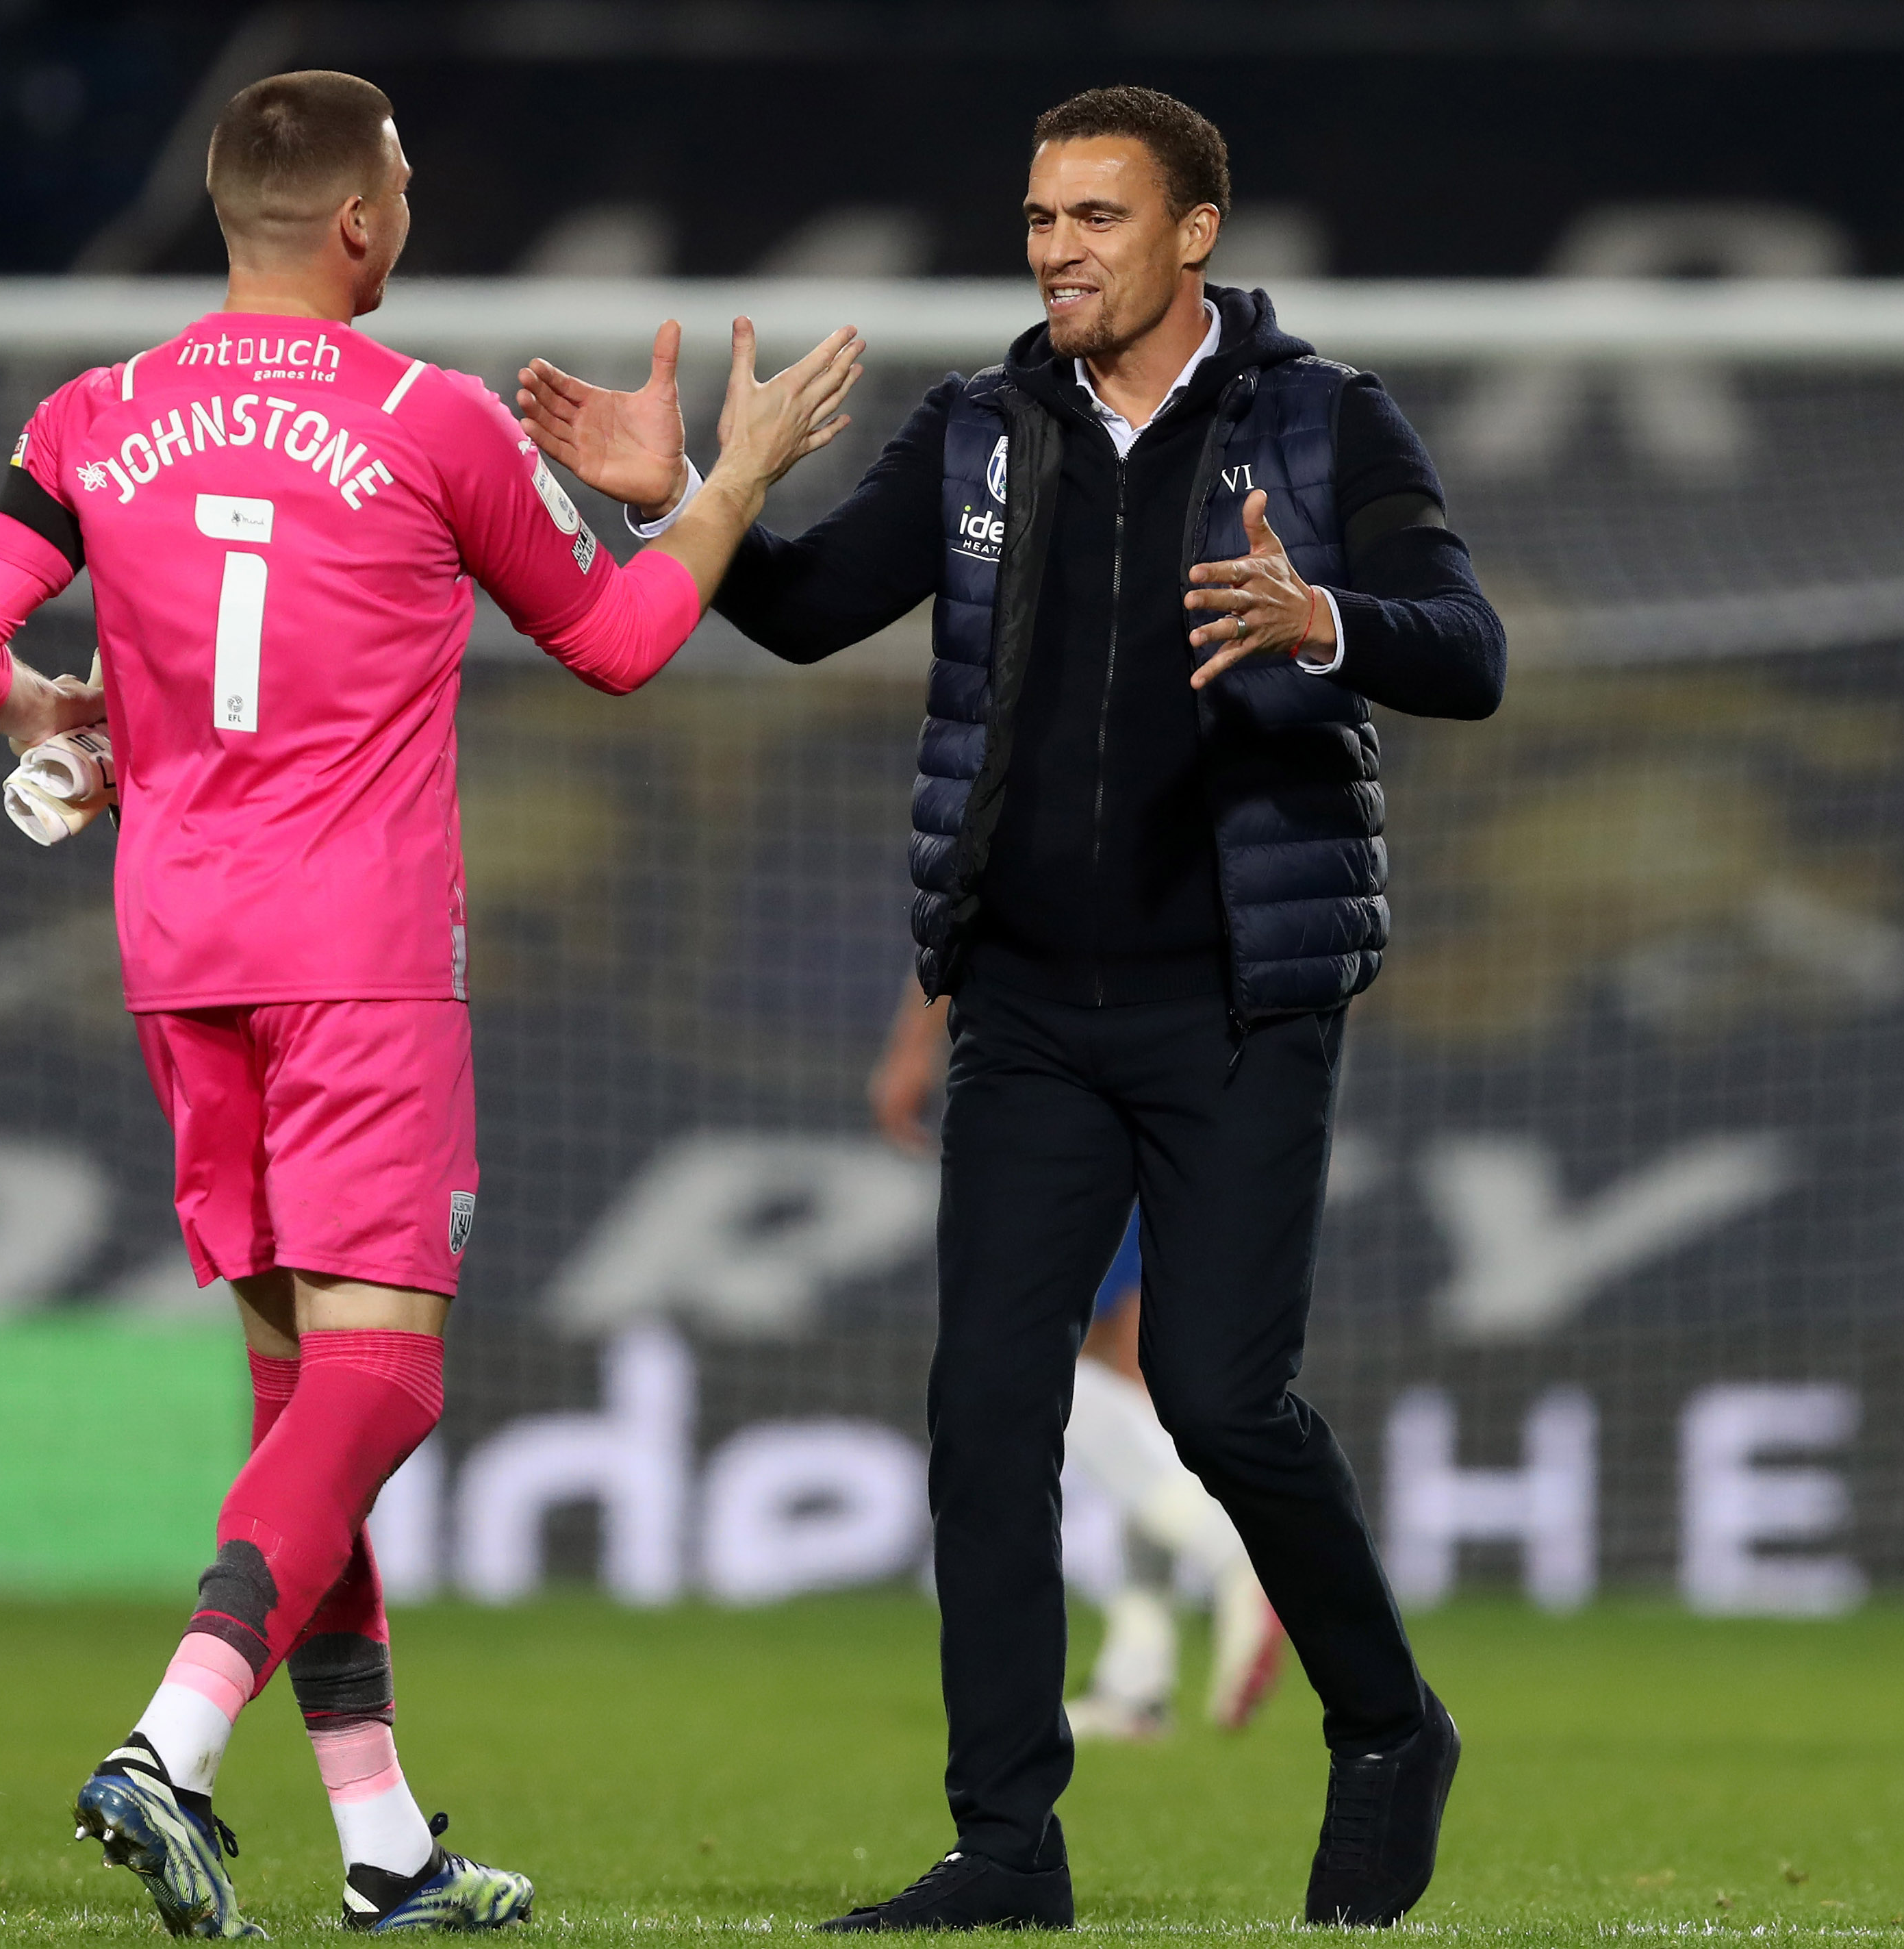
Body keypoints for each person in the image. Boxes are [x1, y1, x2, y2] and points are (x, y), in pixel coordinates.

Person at [520, 84, 1503, 1930]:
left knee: (1222, 1398)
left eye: (1095, 215)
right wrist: (695, 504)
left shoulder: (1323, 417)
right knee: (984, 1407)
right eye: (1039, 214)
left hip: (1237, 995)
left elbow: (1472, 646)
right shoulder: (979, 427)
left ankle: (1385, 1723)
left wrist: (1328, 623)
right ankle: (1006, 1845)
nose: (1054, 244)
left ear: (1192, 233)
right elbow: (809, 610)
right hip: (1029, 1003)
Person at [0, 70, 861, 1940]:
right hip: (357, 955)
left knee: (295, 1396)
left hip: (179, 952)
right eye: (403, 178)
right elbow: (624, 643)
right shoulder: (426, 420)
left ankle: (383, 1841)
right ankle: (168, 1742)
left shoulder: (95, 414)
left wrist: (47, 713)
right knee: (384, 1375)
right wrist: (734, 479)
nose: (409, 203)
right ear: (359, 223)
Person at [872, 1001, 1286, 1743]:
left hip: (1077, 1068)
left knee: (1028, 1360)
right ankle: (1138, 1679)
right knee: (1131, 1379)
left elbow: (966, 893)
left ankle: (1233, 1553)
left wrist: (913, 1044)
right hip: (1184, 1071)